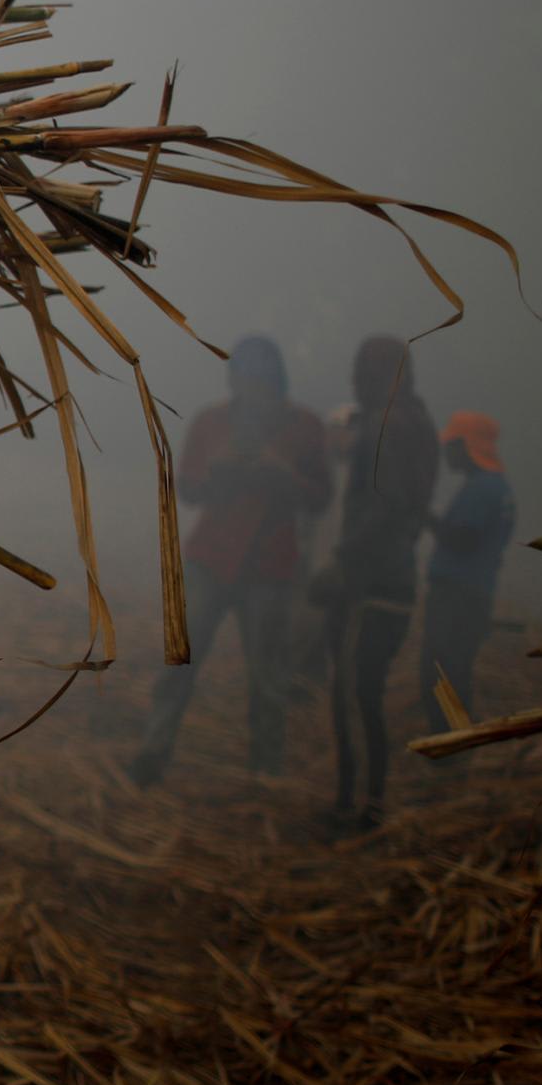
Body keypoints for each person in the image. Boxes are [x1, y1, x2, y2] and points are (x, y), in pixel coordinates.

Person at [129, 336, 330, 785]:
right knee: (180, 661)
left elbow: (319, 498)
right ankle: (153, 752)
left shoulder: (304, 428)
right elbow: (191, 488)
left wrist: (283, 473)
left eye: (259, 382)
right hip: (212, 560)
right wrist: (220, 467)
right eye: (243, 381)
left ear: (276, 383)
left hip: (270, 566)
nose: (251, 392)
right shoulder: (213, 422)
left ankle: (266, 769)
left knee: (268, 677)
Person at [318, 335, 438, 831]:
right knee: (360, 691)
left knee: (354, 692)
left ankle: (359, 805)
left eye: (362, 370)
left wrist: (341, 560)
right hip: (391, 576)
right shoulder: (414, 422)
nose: (353, 379)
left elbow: (386, 504)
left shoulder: (390, 424)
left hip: (372, 581)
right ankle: (360, 800)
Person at [418, 411, 516, 733]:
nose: (447, 452)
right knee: (455, 667)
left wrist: (424, 516)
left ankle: (449, 745)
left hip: (457, 595)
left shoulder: (483, 489)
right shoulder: (495, 487)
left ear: (467, 445)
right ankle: (453, 742)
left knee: (442, 670)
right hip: (474, 593)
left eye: (451, 445)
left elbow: (463, 540)